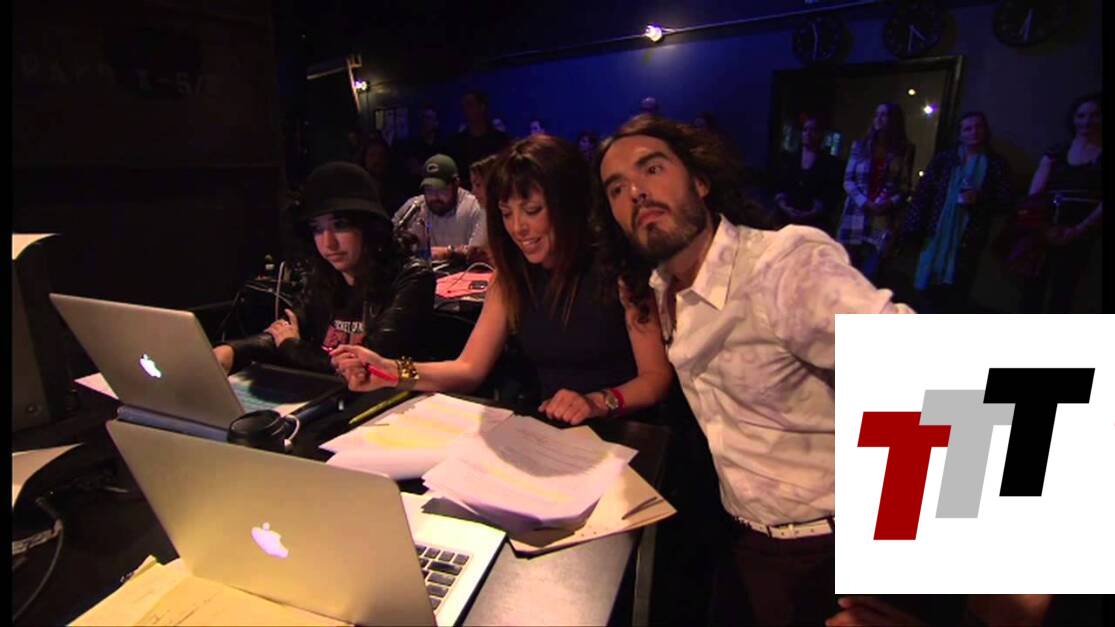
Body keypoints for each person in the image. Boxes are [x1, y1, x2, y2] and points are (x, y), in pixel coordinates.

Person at [595, 115, 914, 626]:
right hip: (746, 540)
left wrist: (989, 599)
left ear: (700, 181)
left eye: (652, 168)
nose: (636, 192)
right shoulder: (661, 286)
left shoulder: (781, 267)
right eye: (617, 188)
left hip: (831, 552)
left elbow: (952, 379)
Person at [332, 134, 673, 425]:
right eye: (507, 214)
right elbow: (468, 369)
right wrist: (391, 371)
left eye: (532, 211)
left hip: (625, 433)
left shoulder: (619, 269)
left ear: (569, 205)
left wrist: (598, 402)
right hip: (552, 432)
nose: (517, 228)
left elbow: (655, 378)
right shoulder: (510, 278)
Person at [213, 162, 434, 374]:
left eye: (340, 225)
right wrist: (233, 351)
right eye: (317, 229)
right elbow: (285, 331)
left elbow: (370, 364)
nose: (328, 243)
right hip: (333, 391)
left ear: (369, 227)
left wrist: (292, 347)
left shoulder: (412, 276)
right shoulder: (323, 277)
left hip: (396, 394)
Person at [901, 112, 1014, 313]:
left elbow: (1006, 200)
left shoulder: (995, 163)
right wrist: (914, 227)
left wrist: (980, 198)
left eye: (978, 127)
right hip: (935, 233)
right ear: (960, 134)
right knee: (927, 289)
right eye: (967, 129)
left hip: (970, 237)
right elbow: (924, 193)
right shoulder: (945, 160)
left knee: (958, 290)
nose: (974, 132)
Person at [1019, 92, 1103, 313]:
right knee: (1032, 289)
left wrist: (1078, 230)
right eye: (1081, 115)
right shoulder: (1056, 152)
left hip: (1083, 231)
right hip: (1045, 227)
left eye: (1095, 115)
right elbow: (1034, 194)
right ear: (1073, 119)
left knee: (1064, 291)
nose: (1087, 121)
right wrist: (1045, 228)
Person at [837, 103, 915, 283]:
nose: (878, 119)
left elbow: (904, 187)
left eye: (884, 115)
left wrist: (888, 203)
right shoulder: (860, 146)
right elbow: (848, 180)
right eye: (876, 114)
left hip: (883, 217)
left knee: (872, 274)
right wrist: (864, 202)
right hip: (856, 213)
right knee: (848, 270)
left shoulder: (905, 150)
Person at [394, 154, 488, 264]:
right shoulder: (414, 207)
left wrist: (448, 252)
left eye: (442, 189)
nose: (435, 196)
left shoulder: (475, 207)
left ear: (456, 184)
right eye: (429, 190)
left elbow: (480, 253)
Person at [773, 113, 844, 234]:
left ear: (821, 134)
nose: (808, 134)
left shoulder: (830, 163)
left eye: (813, 130)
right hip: (786, 219)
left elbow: (831, 193)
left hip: (815, 223)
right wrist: (785, 207)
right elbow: (780, 186)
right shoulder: (789, 160)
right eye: (805, 130)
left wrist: (812, 212)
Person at [449, 90, 510, 189]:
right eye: (464, 106)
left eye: (470, 105)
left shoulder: (500, 140)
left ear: (482, 107)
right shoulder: (457, 144)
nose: (466, 110)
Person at [397, 105, 447, 192]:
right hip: (417, 190)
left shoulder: (443, 145)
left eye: (429, 118)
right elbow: (413, 169)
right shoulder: (411, 146)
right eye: (423, 118)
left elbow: (444, 170)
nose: (425, 122)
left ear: (436, 122)